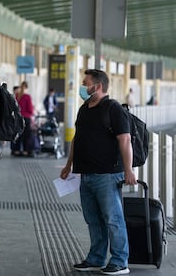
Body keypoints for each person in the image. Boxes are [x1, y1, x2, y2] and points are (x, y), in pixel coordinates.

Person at [60, 69, 137, 275]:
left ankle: (120, 261)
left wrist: (128, 170)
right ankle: (96, 258)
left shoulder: (113, 109)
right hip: (86, 173)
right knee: (92, 219)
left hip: (108, 175)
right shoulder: (84, 109)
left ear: (98, 86)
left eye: (86, 83)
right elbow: (78, 138)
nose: (83, 87)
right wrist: (69, 165)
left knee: (113, 219)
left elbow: (125, 139)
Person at [13, 81, 35, 157]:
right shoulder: (27, 97)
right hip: (26, 118)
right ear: (27, 87)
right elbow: (30, 110)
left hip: (17, 118)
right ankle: (25, 151)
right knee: (26, 135)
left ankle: (16, 150)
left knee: (18, 134)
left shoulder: (17, 96)